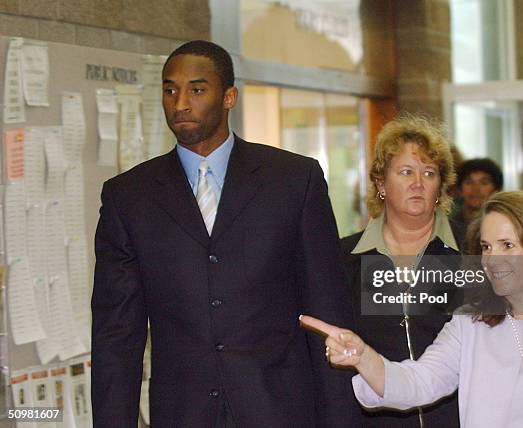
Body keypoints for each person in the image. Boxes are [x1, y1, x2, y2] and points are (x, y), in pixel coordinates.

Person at [91, 40, 360, 427]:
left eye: (196, 90)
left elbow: (327, 310)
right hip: (182, 411)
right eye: (170, 90)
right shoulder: (129, 196)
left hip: (280, 408)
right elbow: (117, 332)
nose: (180, 102)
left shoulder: (293, 180)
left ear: (229, 96)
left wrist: (340, 419)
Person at [302, 191, 523, 427]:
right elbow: (420, 382)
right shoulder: (472, 322)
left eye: (508, 245)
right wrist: (363, 357)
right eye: (486, 247)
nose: (492, 259)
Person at [340, 114, 464, 426]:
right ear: (381, 183)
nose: (418, 184)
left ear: (441, 186)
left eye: (429, 173)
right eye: (406, 172)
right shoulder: (344, 259)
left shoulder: (474, 250)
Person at [453, 158, 503, 226]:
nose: (476, 189)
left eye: (484, 183)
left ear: (496, 190)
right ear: (459, 190)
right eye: (469, 182)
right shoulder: (448, 226)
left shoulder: (503, 224)